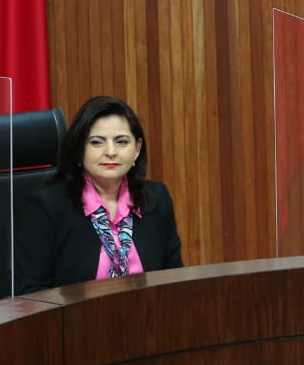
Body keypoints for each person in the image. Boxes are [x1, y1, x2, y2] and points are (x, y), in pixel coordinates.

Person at [14, 95, 184, 293]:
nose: (111, 152)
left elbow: (174, 282)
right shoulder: (48, 205)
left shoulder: (157, 198)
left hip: (148, 320)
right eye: (97, 142)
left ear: (137, 149)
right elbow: (31, 293)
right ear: (79, 150)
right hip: (74, 322)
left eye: (121, 142)